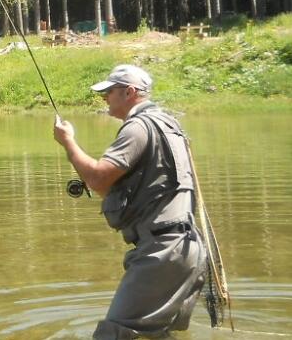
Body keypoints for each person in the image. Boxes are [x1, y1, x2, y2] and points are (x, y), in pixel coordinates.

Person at [53, 64, 207, 339]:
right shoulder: (169, 125)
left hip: (162, 252)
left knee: (112, 334)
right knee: (152, 336)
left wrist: (68, 143)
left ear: (129, 92)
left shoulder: (137, 128)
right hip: (187, 249)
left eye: (109, 91)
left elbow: (98, 179)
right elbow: (122, 189)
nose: (104, 98)